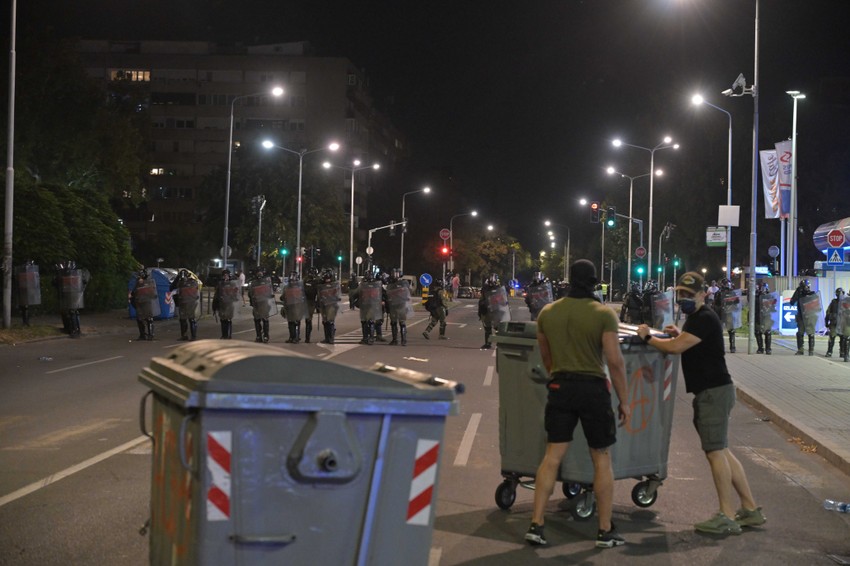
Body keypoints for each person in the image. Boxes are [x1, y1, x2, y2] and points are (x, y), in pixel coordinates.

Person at [636, 271, 765, 535]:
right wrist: (676, 333)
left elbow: (675, 348)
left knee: (715, 452)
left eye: (689, 295)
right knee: (723, 450)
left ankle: (727, 516)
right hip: (715, 391)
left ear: (703, 294)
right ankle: (750, 509)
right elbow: (685, 341)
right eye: (680, 294)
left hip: (713, 392)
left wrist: (647, 336)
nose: (684, 298)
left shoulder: (704, 317)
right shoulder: (697, 319)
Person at [524, 259, 630, 549]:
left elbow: (546, 356)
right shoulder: (603, 314)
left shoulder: (548, 312)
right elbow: (614, 361)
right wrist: (624, 401)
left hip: (560, 386)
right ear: (594, 282)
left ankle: (536, 524)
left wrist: (557, 375)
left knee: (552, 456)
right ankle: (605, 530)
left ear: (569, 280)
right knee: (601, 457)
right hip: (593, 389)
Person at [478, 273, 511, 349]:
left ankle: (501, 343)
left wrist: (504, 303)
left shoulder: (499, 288)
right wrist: (483, 305)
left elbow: (503, 299)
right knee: (487, 328)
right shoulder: (485, 288)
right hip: (486, 310)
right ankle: (488, 343)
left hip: (496, 310)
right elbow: (482, 300)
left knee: (498, 328)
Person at [247, 266, 276, 343]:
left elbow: (270, 291)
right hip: (256, 304)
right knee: (257, 320)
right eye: (258, 272)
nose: (259, 273)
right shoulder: (253, 282)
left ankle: (266, 336)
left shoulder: (266, 281)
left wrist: (271, 295)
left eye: (261, 272)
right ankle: (258, 336)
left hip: (264, 303)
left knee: (265, 320)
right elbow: (250, 293)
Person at [790, 279, 818, 356]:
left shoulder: (812, 294)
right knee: (800, 333)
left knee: (810, 333)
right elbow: (792, 302)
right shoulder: (799, 293)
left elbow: (817, 307)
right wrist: (798, 293)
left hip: (809, 316)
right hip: (802, 316)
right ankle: (802, 350)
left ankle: (809, 350)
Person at [170, 268, 200, 341]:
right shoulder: (180, 283)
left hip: (191, 303)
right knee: (182, 320)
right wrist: (177, 278)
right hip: (182, 303)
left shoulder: (193, 282)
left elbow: (196, 292)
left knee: (192, 319)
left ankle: (193, 336)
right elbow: (171, 288)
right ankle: (184, 335)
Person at [130, 266, 158, 341]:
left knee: (148, 318)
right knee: (140, 319)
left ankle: (150, 334)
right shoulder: (138, 283)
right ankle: (143, 335)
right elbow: (134, 291)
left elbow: (153, 294)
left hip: (145, 302)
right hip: (140, 302)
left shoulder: (148, 282)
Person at [386, 268, 412, 345]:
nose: (395, 275)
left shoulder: (396, 283)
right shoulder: (404, 283)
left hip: (397, 305)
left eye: (396, 273)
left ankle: (399, 340)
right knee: (398, 323)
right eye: (394, 273)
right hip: (398, 305)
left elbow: (388, 294)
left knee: (398, 323)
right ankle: (400, 340)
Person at [281, 271, 308, 343]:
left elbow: (303, 296)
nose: (292, 280)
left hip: (297, 306)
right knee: (291, 322)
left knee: (296, 322)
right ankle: (292, 337)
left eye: (293, 278)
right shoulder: (286, 287)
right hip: (290, 307)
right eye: (291, 279)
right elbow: (283, 296)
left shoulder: (300, 287)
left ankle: (296, 337)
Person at [212, 269, 239, 339]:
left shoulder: (232, 284)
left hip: (230, 304)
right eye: (224, 275)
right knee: (223, 320)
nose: (225, 277)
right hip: (222, 305)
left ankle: (229, 335)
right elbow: (216, 295)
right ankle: (224, 334)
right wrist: (214, 305)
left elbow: (236, 294)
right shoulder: (220, 284)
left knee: (228, 320)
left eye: (226, 275)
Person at [317, 269, 341, 344]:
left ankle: (331, 338)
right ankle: (327, 338)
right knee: (325, 322)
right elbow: (319, 295)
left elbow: (338, 295)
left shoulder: (335, 285)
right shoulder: (321, 286)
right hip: (323, 305)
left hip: (331, 305)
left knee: (330, 321)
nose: (327, 280)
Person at [16, 261, 41, 327]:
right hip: (25, 293)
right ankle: (26, 322)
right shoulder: (29, 274)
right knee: (25, 308)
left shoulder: (28, 274)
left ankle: (26, 322)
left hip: (27, 292)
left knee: (26, 308)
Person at [754, 282, 775, 355]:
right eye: (762, 289)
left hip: (766, 316)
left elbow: (773, 307)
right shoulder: (757, 296)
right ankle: (760, 348)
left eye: (765, 288)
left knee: (767, 332)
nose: (763, 290)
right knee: (757, 332)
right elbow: (753, 305)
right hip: (758, 316)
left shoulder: (770, 297)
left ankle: (768, 348)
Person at [825, 287, 845, 358]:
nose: (840, 295)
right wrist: (826, 321)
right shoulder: (833, 302)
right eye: (839, 293)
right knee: (832, 337)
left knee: (843, 338)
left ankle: (842, 352)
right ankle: (829, 351)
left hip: (842, 324)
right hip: (834, 323)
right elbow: (828, 312)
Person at [303, 267, 320, 343]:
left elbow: (319, 292)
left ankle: (307, 337)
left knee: (308, 319)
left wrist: (318, 304)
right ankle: (306, 337)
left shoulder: (316, 280)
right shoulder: (306, 280)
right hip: (306, 301)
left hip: (311, 301)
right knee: (308, 319)